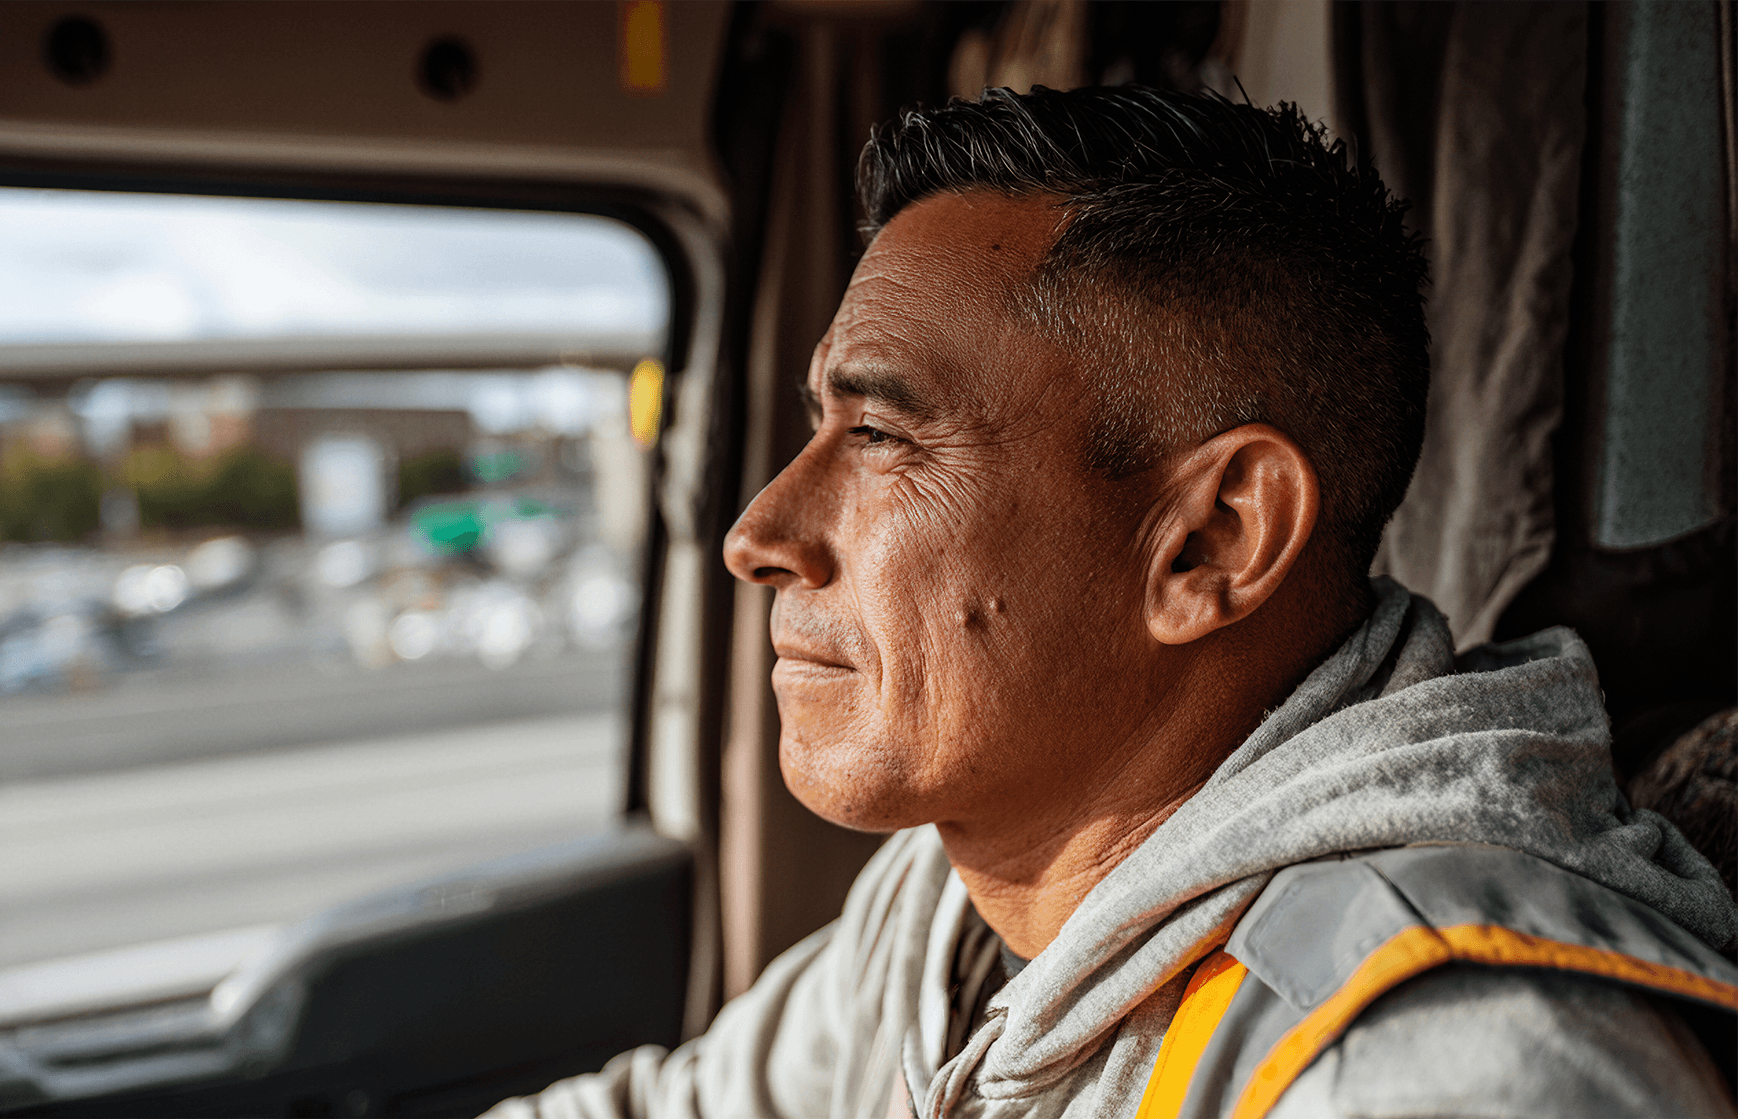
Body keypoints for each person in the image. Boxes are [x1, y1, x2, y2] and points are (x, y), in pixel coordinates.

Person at [486, 86, 1738, 1119]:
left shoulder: (1437, 1065)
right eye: (822, 422)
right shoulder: (948, 911)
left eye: (878, 435)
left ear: (1208, 542)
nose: (757, 535)